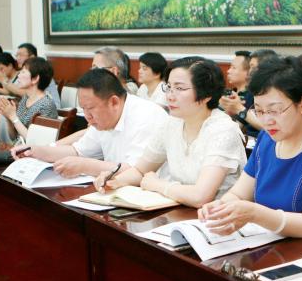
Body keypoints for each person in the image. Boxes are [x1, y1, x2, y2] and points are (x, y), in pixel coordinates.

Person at [198, 56, 302, 245]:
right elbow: (238, 194)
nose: (266, 121)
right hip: (266, 244)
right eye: (259, 111)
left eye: (274, 110)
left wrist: (255, 213)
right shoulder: (267, 140)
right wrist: (221, 207)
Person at [96, 57, 246, 207]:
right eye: (168, 87)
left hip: (216, 215)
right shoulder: (171, 123)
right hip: (179, 209)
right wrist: (115, 180)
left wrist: (158, 185)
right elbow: (141, 171)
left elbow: (200, 196)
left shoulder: (223, 130)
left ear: (206, 95)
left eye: (179, 88)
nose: (169, 96)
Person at [13, 68, 166, 178]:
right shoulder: (103, 119)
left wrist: (84, 165)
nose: (87, 117)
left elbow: (136, 172)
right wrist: (36, 151)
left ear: (113, 102)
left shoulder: (146, 116)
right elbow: (77, 151)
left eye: (90, 108)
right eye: (83, 109)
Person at [0, 56, 59, 144]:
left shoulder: (46, 104)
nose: (18, 75)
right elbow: (13, 137)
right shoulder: (25, 98)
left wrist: (13, 117)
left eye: (23, 72)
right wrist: (8, 118)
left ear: (35, 79)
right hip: (19, 148)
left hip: (34, 151)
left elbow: (35, 142)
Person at [218, 49, 252, 120]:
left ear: (249, 72)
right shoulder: (228, 93)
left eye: (233, 68)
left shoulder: (253, 97)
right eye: (230, 67)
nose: (228, 71)